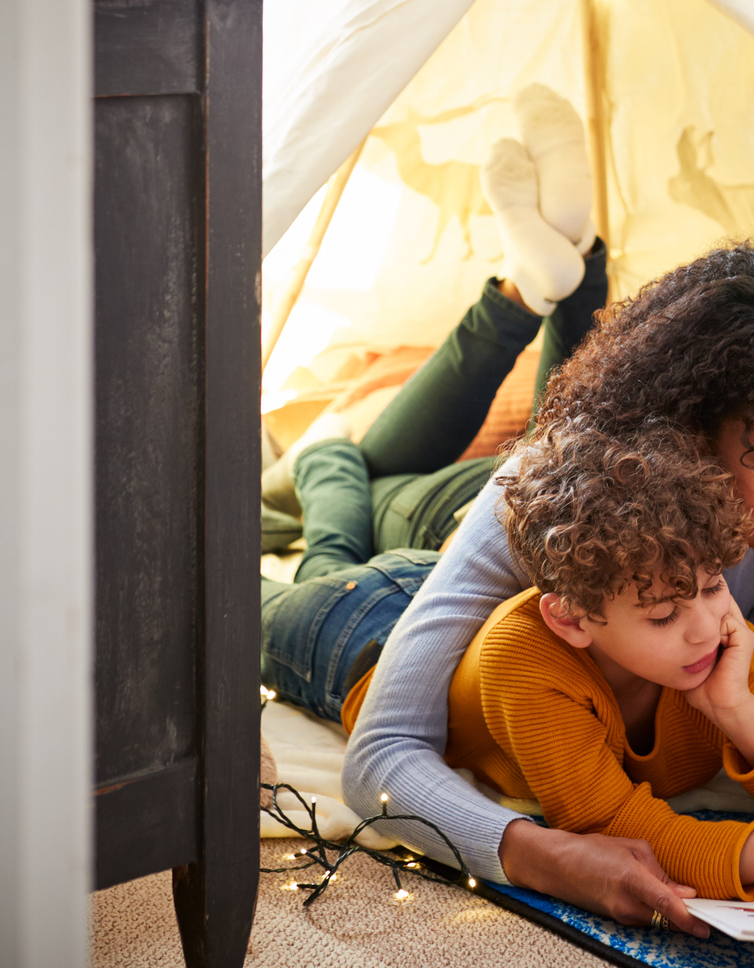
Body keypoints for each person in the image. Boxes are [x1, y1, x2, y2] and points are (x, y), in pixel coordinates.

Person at [341, 235, 754, 936]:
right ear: (685, 433)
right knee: (339, 520)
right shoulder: (530, 495)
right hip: (374, 606)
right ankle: (334, 463)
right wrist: (542, 854)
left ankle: (568, 269)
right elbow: (381, 753)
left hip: (575, 628)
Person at [337, 422, 754, 914]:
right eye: (663, 615)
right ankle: (329, 457)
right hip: (362, 627)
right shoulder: (529, 657)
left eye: (711, 586)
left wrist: (739, 713)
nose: (705, 625)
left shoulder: (721, 638)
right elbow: (611, 826)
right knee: (290, 579)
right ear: (572, 619)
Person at [259, 85, 608, 723]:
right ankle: (530, 286)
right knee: (339, 458)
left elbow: (332, 467)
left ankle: (560, 274)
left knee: (571, 431)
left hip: (492, 501)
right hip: (472, 512)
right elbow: (328, 460)